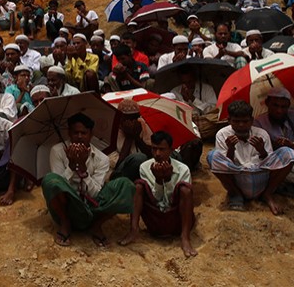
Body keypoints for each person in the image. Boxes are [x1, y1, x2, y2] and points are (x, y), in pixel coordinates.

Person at [41, 113, 135, 247]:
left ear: (91, 134)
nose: (79, 137)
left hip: (93, 208)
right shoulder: (57, 151)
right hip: (68, 206)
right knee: (49, 180)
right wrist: (72, 167)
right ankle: (65, 222)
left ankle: (96, 225)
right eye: (75, 132)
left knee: (126, 185)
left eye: (83, 133)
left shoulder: (102, 158)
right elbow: (57, 185)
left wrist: (84, 171)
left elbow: (96, 193)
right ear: (69, 133)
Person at [207, 100, 294, 215]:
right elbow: (225, 166)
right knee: (212, 156)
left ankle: (268, 193)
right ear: (229, 120)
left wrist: (262, 150)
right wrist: (231, 149)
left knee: (288, 153)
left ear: (251, 121)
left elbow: (270, 163)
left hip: (261, 176)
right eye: (236, 121)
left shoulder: (261, 134)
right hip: (237, 177)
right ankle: (235, 194)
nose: (241, 125)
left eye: (245, 121)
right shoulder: (222, 135)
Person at [119, 131, 197, 258]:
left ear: (171, 150)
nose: (157, 154)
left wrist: (168, 180)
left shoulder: (183, 169)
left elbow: (177, 200)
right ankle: (133, 230)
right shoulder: (145, 167)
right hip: (155, 218)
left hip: (175, 218)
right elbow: (156, 198)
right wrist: (158, 181)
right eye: (154, 149)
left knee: (185, 190)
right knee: (138, 186)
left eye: (162, 149)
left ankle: (185, 237)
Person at [110, 99, 152, 181]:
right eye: (128, 119)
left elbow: (152, 155)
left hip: (144, 170)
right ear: (120, 118)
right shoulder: (112, 131)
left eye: (135, 118)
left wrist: (137, 137)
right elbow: (117, 164)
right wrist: (129, 137)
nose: (132, 122)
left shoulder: (141, 124)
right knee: (139, 158)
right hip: (119, 174)